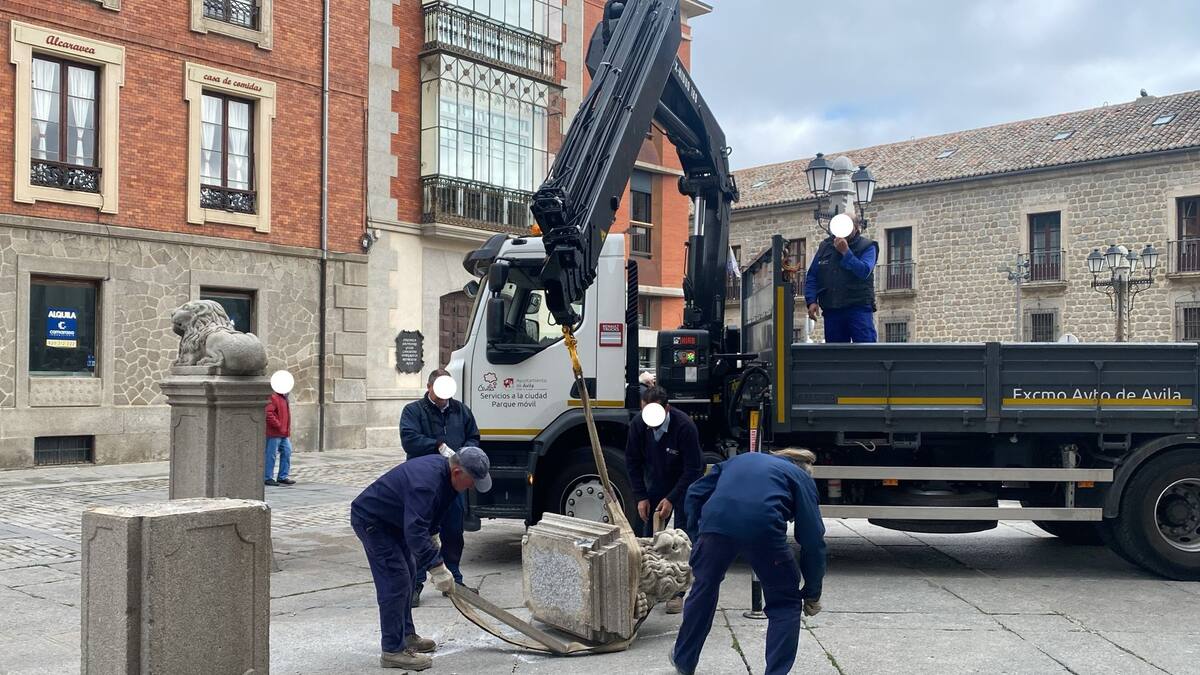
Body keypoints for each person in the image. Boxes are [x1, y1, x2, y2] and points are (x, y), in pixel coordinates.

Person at [671, 448, 826, 675]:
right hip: (763, 528)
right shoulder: (800, 477)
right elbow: (812, 539)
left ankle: (684, 661)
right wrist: (812, 591)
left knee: (703, 589)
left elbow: (694, 492)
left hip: (715, 525)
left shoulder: (739, 460)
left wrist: (698, 538)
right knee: (785, 603)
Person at [350, 447, 492, 671]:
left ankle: (406, 636)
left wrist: (433, 534)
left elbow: (433, 512)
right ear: (457, 472)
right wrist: (437, 567)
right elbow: (415, 531)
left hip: (395, 520)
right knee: (396, 580)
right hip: (374, 521)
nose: (472, 486)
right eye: (472, 480)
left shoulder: (446, 477)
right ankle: (392, 650)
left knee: (407, 574)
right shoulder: (425, 484)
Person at [400, 369, 481, 606]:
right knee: (420, 532)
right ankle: (415, 583)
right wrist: (437, 446)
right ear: (429, 387)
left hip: (453, 481)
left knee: (453, 531)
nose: (444, 399)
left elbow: (473, 437)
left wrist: (465, 453)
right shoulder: (413, 411)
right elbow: (409, 439)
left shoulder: (461, 410)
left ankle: (453, 579)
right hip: (422, 482)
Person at [624, 385, 703, 614]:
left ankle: (678, 592)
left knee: (682, 536)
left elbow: (692, 468)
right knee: (648, 535)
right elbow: (632, 462)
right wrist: (640, 496)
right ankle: (649, 586)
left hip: (686, 482)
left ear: (666, 409)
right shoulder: (639, 424)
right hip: (655, 478)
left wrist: (671, 499)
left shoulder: (684, 426)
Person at [804, 216, 879, 343]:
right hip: (832, 310)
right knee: (835, 355)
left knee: (866, 352)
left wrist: (846, 252)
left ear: (855, 227)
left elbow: (864, 271)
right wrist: (811, 301)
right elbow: (812, 275)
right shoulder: (825, 247)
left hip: (858, 308)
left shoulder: (867, 247)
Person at [264, 370, 296, 486]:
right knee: (270, 455)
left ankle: (283, 476)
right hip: (274, 433)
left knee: (287, 452)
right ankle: (267, 477)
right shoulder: (273, 397)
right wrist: (278, 425)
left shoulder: (283, 397)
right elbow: (268, 414)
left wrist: (284, 429)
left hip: (283, 433)